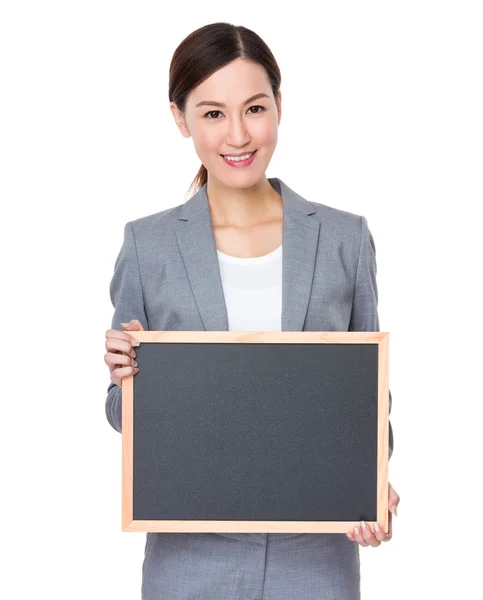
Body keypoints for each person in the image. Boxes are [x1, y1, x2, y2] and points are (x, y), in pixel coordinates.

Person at [104, 21, 400, 600]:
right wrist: (128, 379)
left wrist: (375, 486)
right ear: (179, 117)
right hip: (190, 559)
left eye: (254, 108)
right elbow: (122, 416)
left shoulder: (344, 238)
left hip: (315, 559)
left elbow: (368, 398)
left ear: (279, 107)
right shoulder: (148, 246)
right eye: (212, 113)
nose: (238, 135)